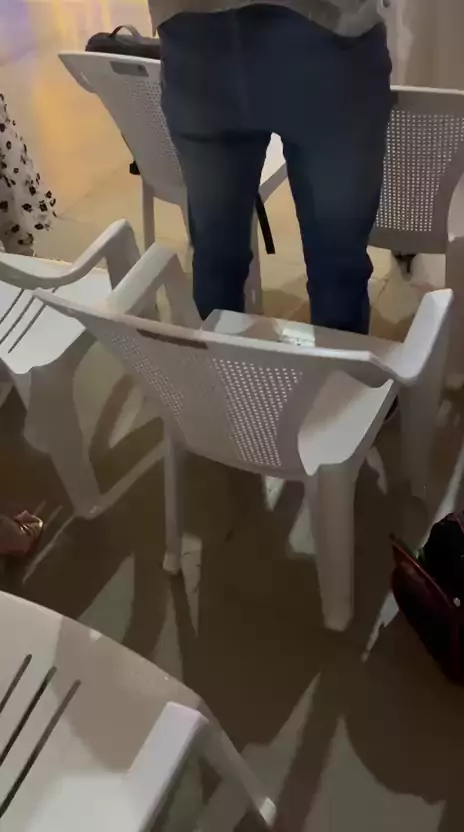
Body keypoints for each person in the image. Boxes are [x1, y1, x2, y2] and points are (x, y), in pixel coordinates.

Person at [150, 1, 393, 333]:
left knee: (216, 259)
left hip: (195, 36)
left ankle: (218, 366)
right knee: (337, 270)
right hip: (326, 33)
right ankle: (336, 368)